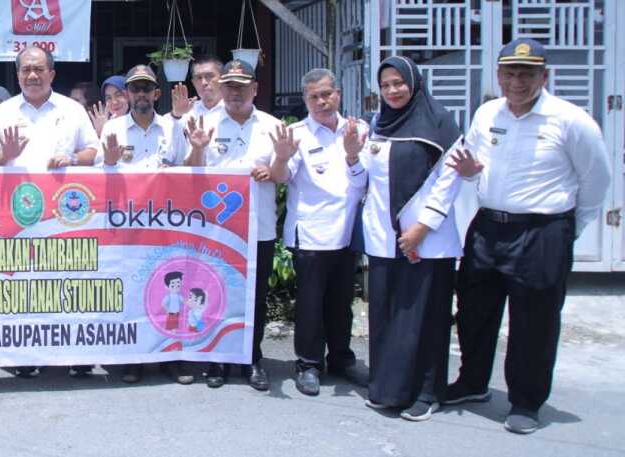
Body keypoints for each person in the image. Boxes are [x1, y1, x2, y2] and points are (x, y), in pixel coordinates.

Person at [444, 39, 611, 434]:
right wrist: (469, 173)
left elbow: (596, 181)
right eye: (510, 73)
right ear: (499, 75)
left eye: (527, 73)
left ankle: (526, 401)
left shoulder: (570, 120)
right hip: (488, 228)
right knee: (473, 311)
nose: (517, 81)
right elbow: (475, 168)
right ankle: (472, 383)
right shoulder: (487, 113)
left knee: (533, 322)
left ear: (544, 76)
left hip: (542, 232)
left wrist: (567, 230)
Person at [338, 57, 462, 421]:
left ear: (414, 83)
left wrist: (422, 228)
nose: (393, 91)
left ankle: (426, 393)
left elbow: (448, 180)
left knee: (424, 319)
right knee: (388, 319)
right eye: (386, 85)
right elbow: (363, 180)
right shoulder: (379, 125)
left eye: (398, 83)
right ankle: (388, 390)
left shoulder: (440, 122)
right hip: (383, 241)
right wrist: (350, 155)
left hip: (427, 240)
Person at [0, 47, 98, 377]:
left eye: (39, 69)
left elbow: (93, 151)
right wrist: (5, 153)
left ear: (52, 74)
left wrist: (73, 159)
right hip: (18, 211)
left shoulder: (72, 109)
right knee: (24, 285)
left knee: (66, 282)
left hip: (65, 214)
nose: (32, 75)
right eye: (26, 70)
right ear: (17, 75)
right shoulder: (3, 111)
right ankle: (25, 355)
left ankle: (76, 353)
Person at [99, 64, 202, 384]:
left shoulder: (174, 128)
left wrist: (197, 149)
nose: (140, 94)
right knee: (132, 292)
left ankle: (174, 357)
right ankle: (134, 359)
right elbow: (98, 179)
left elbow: (190, 172)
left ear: (156, 93)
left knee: (169, 290)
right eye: (134, 89)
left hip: (168, 225)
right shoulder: (112, 129)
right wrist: (111, 163)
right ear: (127, 94)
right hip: (128, 225)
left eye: (146, 88)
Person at [268, 68, 366, 397]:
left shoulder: (359, 130)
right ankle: (308, 364)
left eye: (326, 94)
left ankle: (341, 358)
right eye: (313, 97)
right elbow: (280, 177)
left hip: (347, 231)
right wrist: (280, 158)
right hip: (311, 232)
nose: (321, 101)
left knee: (342, 302)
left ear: (337, 93)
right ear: (305, 100)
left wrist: (353, 153)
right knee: (310, 304)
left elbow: (364, 181)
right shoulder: (296, 134)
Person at [186, 59, 281, 390]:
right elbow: (189, 175)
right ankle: (217, 358)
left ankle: (252, 358)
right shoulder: (203, 123)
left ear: (255, 89)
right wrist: (197, 150)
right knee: (213, 291)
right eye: (229, 86)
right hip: (216, 230)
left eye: (242, 86)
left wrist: (274, 168)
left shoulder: (272, 126)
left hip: (259, 227)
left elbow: (283, 175)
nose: (235, 93)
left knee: (254, 296)